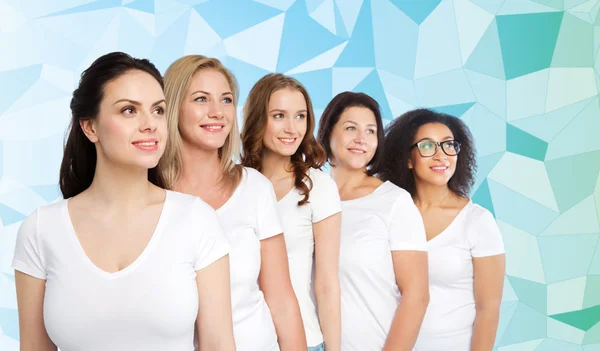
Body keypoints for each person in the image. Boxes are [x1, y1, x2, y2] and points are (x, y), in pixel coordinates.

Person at [12, 52, 235, 351]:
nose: (150, 124)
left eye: (158, 110)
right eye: (129, 110)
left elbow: (218, 344)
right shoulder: (41, 229)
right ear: (90, 127)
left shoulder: (196, 221)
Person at [160, 56, 306, 351]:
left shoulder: (254, 189)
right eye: (201, 99)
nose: (217, 112)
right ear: (173, 108)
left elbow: (281, 300)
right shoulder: (149, 195)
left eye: (226, 100)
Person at [379, 109, 505, 351]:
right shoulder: (389, 213)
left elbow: (488, 308)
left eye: (449, 145)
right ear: (407, 159)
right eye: (427, 146)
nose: (441, 156)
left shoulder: (477, 221)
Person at [316, 92, 429, 350]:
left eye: (370, 131)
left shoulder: (393, 202)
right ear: (327, 132)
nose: (360, 139)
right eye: (350, 128)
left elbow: (417, 296)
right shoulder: (308, 197)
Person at [241, 73, 341, 351]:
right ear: (258, 119)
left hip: (303, 342)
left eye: (300, 116)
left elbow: (327, 285)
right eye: (279, 115)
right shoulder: (236, 184)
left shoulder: (318, 187)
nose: (291, 128)